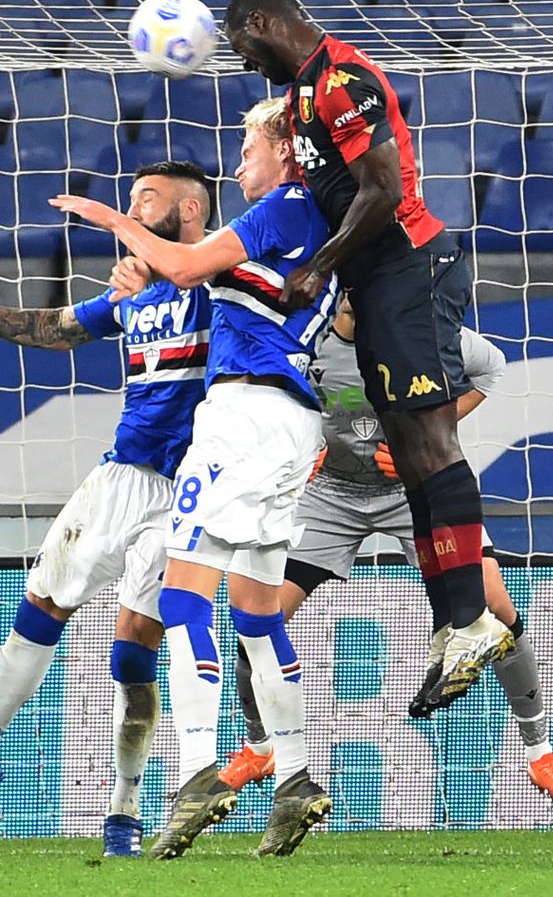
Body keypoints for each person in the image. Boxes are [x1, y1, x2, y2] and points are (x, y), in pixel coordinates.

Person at [51, 97, 340, 860]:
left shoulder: (284, 207)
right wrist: (141, 265)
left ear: (288, 153)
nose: (239, 162)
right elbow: (191, 274)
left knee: (181, 595)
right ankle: (299, 776)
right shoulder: (318, 225)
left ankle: (197, 775)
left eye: (249, 148)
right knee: (256, 611)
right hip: (290, 421)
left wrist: (115, 219)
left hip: (241, 413)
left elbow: (183, 262)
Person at [224, 0, 514, 711]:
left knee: (430, 441)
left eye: (241, 45)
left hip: (410, 263)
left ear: (263, 22)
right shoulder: (297, 97)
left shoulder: (342, 79)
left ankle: (469, 619)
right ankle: (458, 622)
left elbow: (382, 190)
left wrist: (316, 269)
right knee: (414, 457)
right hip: (374, 277)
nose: (245, 61)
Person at [220, 298, 553, 819]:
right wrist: (299, 446)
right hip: (328, 494)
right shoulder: (305, 332)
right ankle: (261, 748)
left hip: (412, 487)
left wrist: (422, 435)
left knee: (493, 604)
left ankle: (540, 752)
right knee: (258, 617)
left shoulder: (414, 324)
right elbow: (259, 395)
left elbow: (490, 367)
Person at [0, 160, 212, 857]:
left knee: (132, 653)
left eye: (146, 198)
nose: (132, 208)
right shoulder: (132, 297)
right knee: (38, 606)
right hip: (123, 477)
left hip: (185, 494)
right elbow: (54, 327)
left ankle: (124, 807)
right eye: (128, 201)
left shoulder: (223, 279)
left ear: (188, 212)